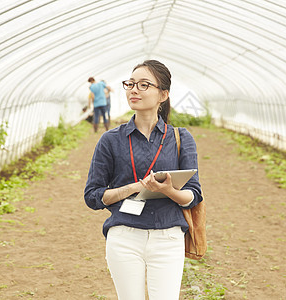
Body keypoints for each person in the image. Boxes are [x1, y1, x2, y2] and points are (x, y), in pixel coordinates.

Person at [84, 60, 203, 300]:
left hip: (168, 236)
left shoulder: (180, 138)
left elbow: (193, 194)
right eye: (130, 84)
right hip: (124, 236)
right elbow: (93, 196)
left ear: (163, 94)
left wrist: (169, 190)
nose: (133, 90)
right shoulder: (111, 140)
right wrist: (133, 187)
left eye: (143, 85)